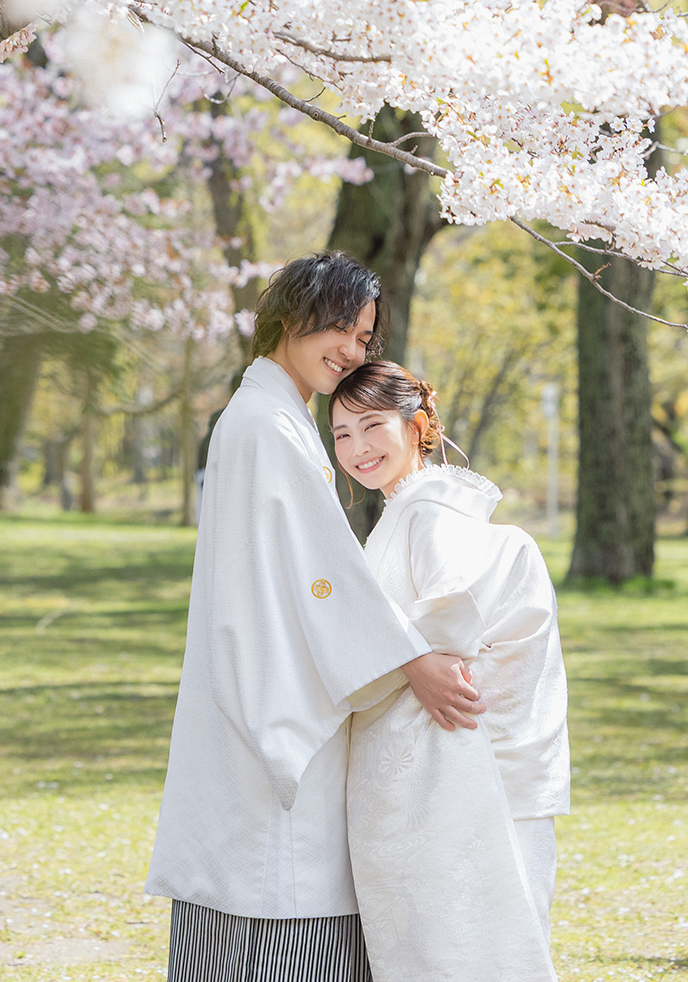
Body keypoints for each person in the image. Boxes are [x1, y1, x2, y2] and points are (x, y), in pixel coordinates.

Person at [147, 251, 486, 981]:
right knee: (285, 888)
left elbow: (312, 570)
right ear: (291, 316)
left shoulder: (270, 416)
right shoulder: (268, 425)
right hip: (269, 694)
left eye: (364, 338)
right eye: (339, 327)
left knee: (247, 890)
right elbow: (320, 575)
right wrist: (411, 659)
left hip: (254, 683)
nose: (351, 350)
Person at [330, 362, 570, 981]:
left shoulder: (429, 508)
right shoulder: (408, 507)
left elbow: (445, 624)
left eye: (371, 425)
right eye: (341, 434)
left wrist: (381, 661)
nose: (356, 448)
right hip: (417, 761)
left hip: (434, 764)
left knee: (446, 943)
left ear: (416, 426)